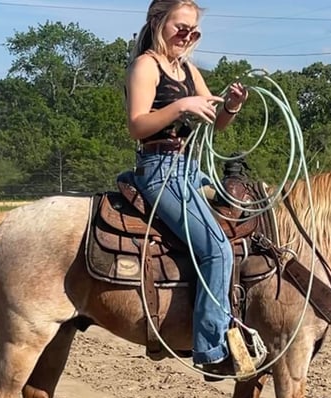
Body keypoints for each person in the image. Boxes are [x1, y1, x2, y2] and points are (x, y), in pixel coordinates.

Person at [125, 0, 249, 375]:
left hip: (189, 167)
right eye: (181, 27)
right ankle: (211, 349)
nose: (187, 36)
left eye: (193, 31)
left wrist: (231, 106)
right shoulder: (146, 65)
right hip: (160, 169)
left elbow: (216, 122)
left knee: (249, 214)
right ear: (158, 22)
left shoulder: (188, 70)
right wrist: (181, 106)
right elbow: (137, 125)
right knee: (216, 249)